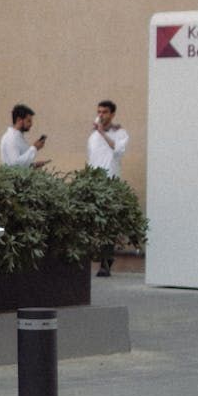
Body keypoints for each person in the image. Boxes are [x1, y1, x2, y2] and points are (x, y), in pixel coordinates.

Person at [87, 99, 130, 276]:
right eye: (99, 112)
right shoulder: (93, 136)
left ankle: (106, 263)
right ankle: (96, 260)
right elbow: (91, 158)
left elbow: (119, 151)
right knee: (94, 225)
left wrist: (104, 133)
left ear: (112, 114)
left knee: (108, 226)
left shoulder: (120, 133)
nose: (101, 115)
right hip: (94, 183)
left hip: (110, 183)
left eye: (104, 112)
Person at [0, 103, 49, 168]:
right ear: (19, 120)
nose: (31, 124)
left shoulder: (17, 137)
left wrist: (33, 165)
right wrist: (34, 148)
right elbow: (15, 165)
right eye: (28, 121)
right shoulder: (11, 138)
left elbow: (21, 163)